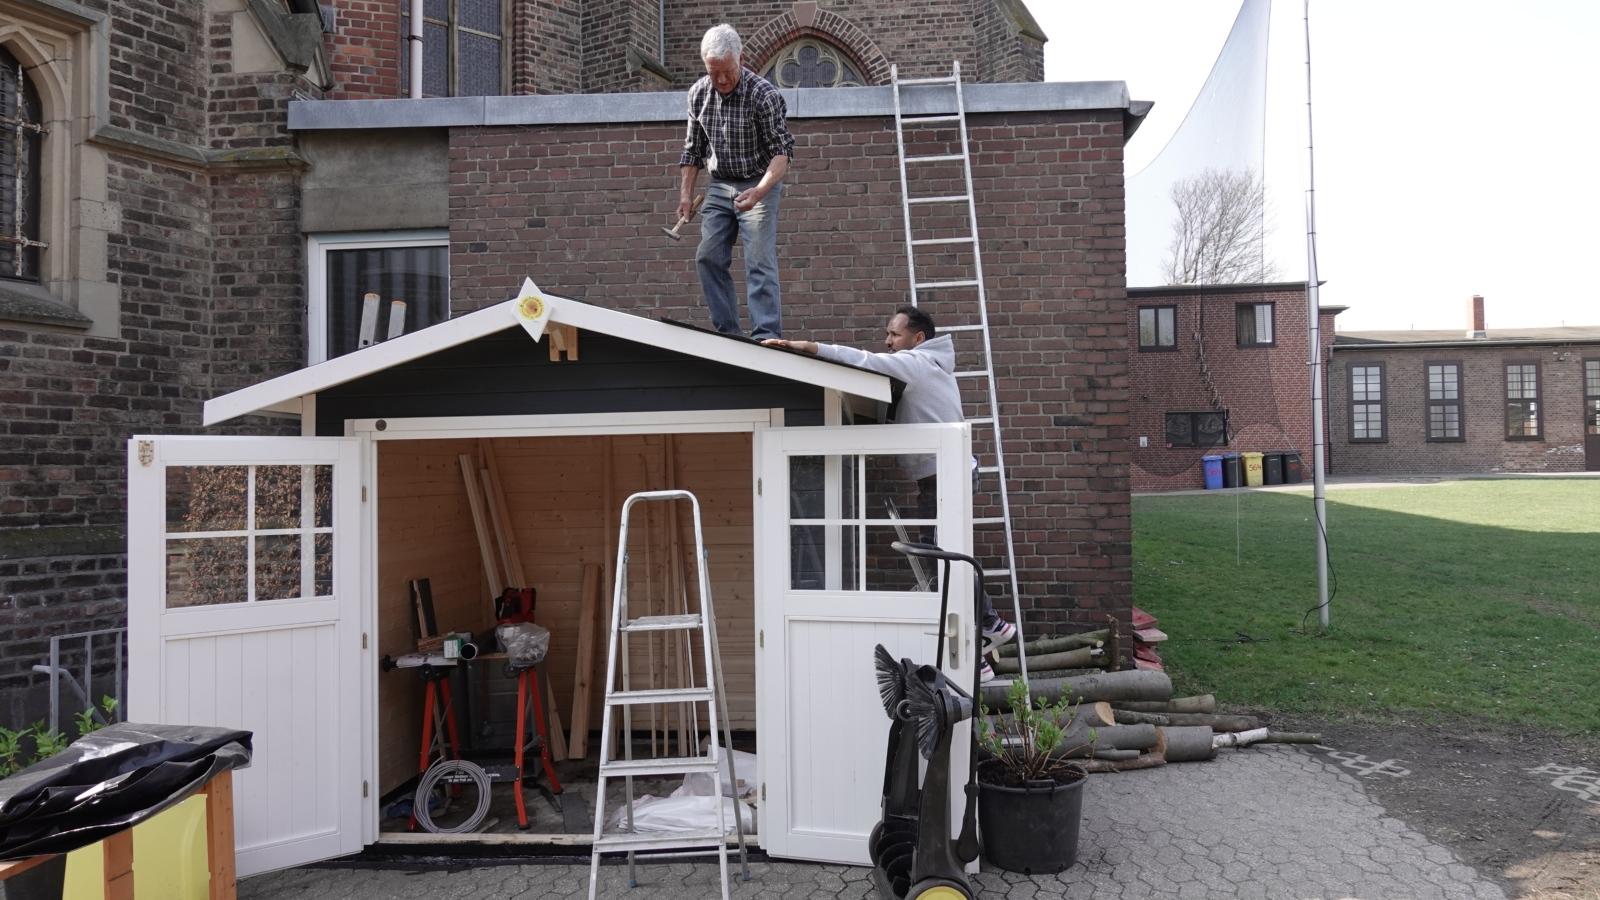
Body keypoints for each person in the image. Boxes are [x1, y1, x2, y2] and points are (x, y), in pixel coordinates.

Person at [764, 307, 1017, 680]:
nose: (887, 341)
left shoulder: (916, 363)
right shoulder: (927, 367)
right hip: (942, 474)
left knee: (941, 561)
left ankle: (984, 637)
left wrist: (807, 347)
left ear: (918, 338)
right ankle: (988, 631)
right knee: (941, 558)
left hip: (944, 475)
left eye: (894, 335)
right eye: (887, 334)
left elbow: (863, 360)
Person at [678, 24, 795, 341]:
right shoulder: (699, 94)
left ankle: (765, 334)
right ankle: (729, 334)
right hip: (720, 184)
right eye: (714, 73)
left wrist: (759, 192)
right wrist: (686, 196)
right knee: (708, 256)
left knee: (758, 259)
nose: (722, 80)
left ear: (741, 59)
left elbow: (781, 155)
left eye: (727, 71)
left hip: (759, 181)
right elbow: (693, 151)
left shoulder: (765, 96)